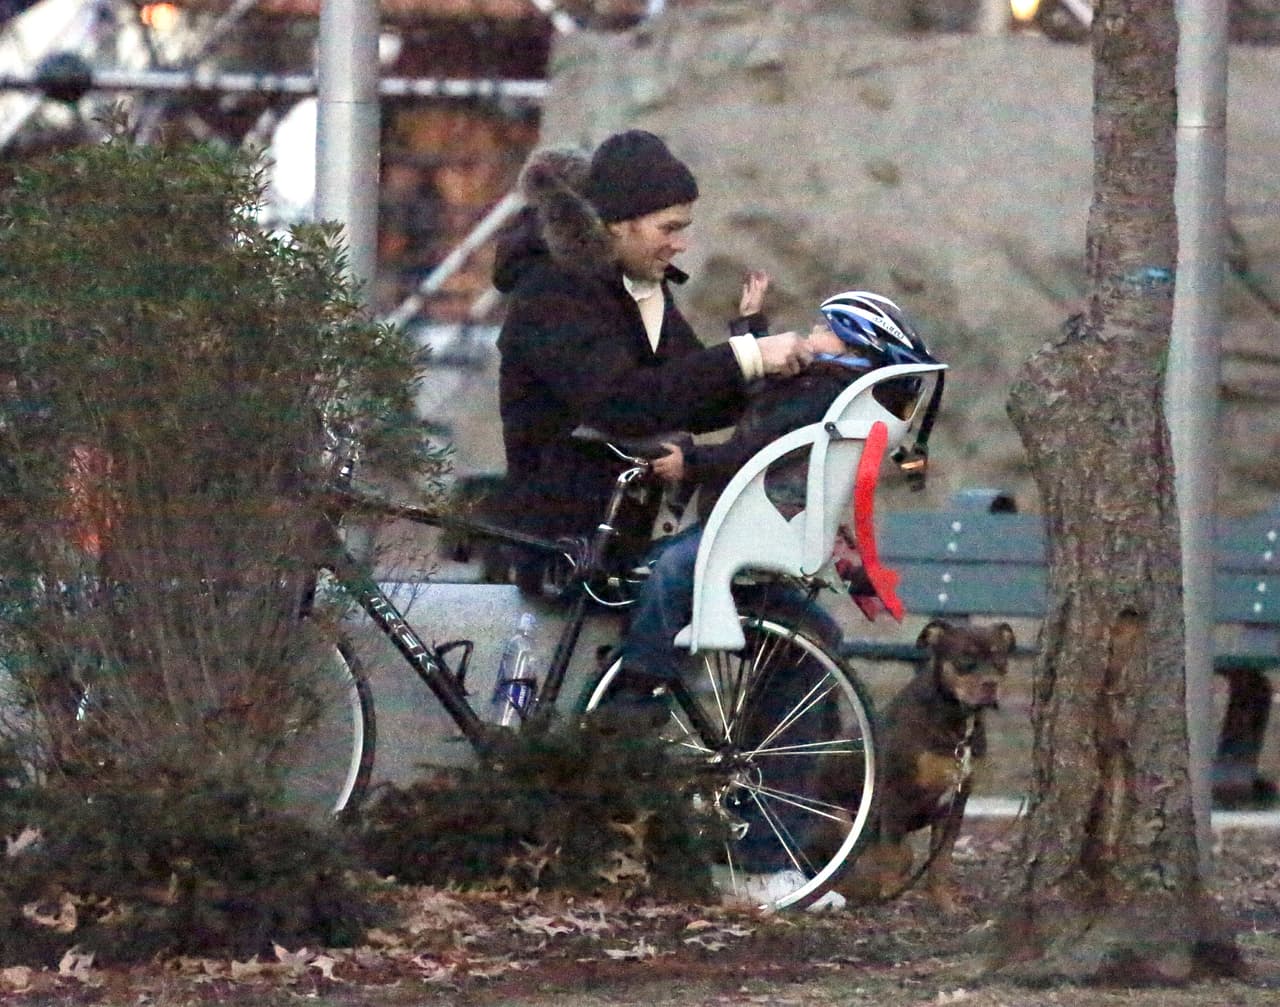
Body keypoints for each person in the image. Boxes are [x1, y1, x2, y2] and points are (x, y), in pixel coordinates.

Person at [492, 130, 822, 687]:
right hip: (576, 549)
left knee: (805, 634)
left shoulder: (635, 285)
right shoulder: (553, 293)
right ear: (619, 224)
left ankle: (778, 775)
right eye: (669, 228)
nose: (680, 245)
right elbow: (625, 402)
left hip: (626, 537)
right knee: (789, 633)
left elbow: (695, 396)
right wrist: (745, 356)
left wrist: (763, 359)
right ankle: (628, 722)